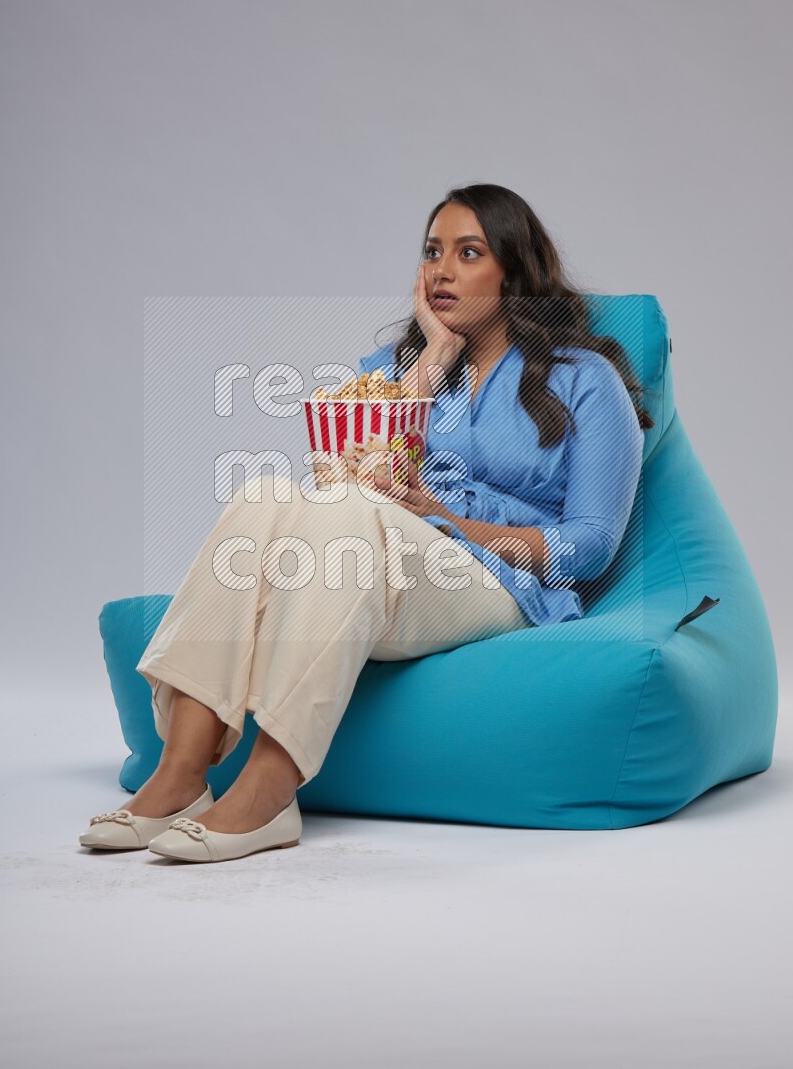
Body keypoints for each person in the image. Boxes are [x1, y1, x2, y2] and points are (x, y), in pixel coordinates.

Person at [78, 183, 651, 863]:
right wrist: (432, 365)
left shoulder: (585, 378)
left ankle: (270, 786)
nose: (441, 270)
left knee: (349, 513)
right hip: (375, 561)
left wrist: (450, 520)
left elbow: (589, 546)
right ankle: (178, 774)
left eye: (468, 253)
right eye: (432, 252)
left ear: (514, 270)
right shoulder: (393, 373)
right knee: (264, 494)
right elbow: (359, 479)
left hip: (500, 583)